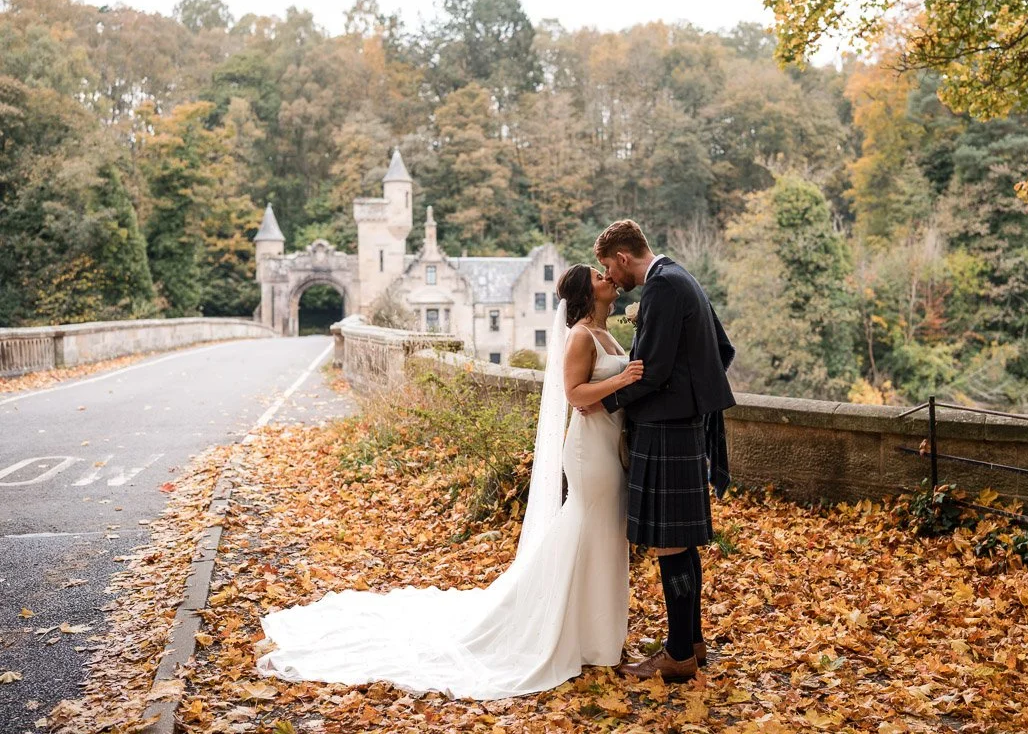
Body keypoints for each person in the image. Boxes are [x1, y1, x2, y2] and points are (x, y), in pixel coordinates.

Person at [256, 265, 643, 700]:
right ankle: (570, 631)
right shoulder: (580, 337)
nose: (607, 276)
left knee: (605, 534)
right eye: (596, 275)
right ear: (583, 293)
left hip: (610, 446)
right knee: (588, 529)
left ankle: (597, 634)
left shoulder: (609, 334)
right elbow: (574, 395)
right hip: (591, 452)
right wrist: (621, 380)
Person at [588, 219, 736, 683]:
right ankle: (690, 643)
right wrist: (693, 395)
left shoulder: (661, 289)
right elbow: (722, 350)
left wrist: (602, 402)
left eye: (609, 267)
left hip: (666, 428)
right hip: (681, 425)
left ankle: (676, 654)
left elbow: (647, 372)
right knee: (681, 542)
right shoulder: (681, 276)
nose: (611, 278)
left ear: (625, 257)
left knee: (671, 544)